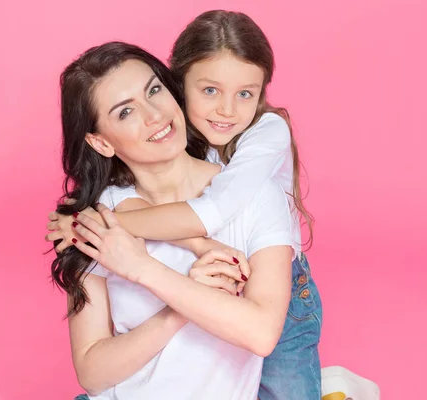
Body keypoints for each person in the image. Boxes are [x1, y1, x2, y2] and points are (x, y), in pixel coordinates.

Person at [49, 10, 322, 399]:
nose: (154, 115)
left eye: (154, 91)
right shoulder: (103, 214)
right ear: (102, 142)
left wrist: (143, 266)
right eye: (125, 112)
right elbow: (91, 374)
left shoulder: (253, 192)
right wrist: (176, 310)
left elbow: (261, 333)